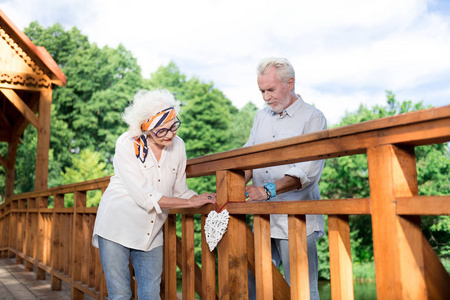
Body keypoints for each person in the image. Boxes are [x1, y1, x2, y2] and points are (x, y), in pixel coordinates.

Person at [92, 89, 216, 300]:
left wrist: (203, 199)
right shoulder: (127, 143)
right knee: (120, 295)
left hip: (151, 234)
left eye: (173, 126)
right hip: (116, 227)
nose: (170, 134)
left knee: (151, 295)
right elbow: (144, 196)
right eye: (162, 130)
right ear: (146, 126)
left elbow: (180, 190)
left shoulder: (179, 146)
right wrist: (190, 203)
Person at [244, 57, 326, 300]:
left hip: (297, 221)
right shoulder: (260, 117)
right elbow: (247, 157)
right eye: (262, 91)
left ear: (290, 83)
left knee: (301, 292)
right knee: (257, 289)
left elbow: (307, 172)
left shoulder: (313, 117)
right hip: (262, 219)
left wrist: (266, 190)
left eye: (271, 89)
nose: (266, 97)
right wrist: (230, 187)